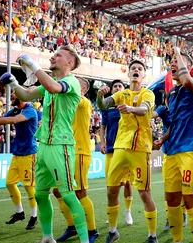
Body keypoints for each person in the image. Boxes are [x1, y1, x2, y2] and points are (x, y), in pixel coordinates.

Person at [0, 45, 89, 243]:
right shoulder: (51, 83)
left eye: (58, 55)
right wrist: (13, 83)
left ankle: (84, 239)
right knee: (40, 194)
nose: (53, 57)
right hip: (44, 146)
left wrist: (33, 65)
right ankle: (47, 236)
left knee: (68, 195)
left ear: (69, 62)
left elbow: (52, 87)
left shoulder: (71, 82)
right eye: (53, 54)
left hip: (61, 145)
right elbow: (25, 95)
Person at [97, 59, 158, 243]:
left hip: (140, 148)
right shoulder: (121, 93)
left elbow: (143, 109)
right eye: (133, 69)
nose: (136, 71)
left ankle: (152, 235)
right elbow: (103, 105)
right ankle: (113, 231)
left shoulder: (148, 94)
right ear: (128, 73)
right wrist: (100, 96)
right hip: (120, 147)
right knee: (111, 190)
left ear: (143, 74)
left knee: (144, 193)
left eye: (139, 69)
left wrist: (130, 108)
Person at [156, 47, 193, 243]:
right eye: (172, 63)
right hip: (172, 151)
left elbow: (187, 81)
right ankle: (177, 240)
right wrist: (163, 138)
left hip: (190, 149)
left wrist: (177, 50)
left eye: (178, 61)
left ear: (188, 67)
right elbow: (174, 123)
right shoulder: (172, 94)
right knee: (172, 201)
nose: (173, 64)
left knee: (190, 201)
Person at [0, 93, 39, 230]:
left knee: (28, 186)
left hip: (29, 153)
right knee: (9, 183)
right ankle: (19, 212)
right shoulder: (14, 110)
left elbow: (14, 120)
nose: (12, 97)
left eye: (14, 95)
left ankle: (34, 216)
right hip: (18, 153)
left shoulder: (30, 110)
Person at [53, 77, 99, 243]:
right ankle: (72, 226)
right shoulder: (64, 105)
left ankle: (92, 230)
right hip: (64, 151)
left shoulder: (84, 102)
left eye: (75, 84)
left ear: (84, 89)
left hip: (79, 152)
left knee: (79, 192)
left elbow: (66, 94)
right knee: (57, 191)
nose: (70, 85)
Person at [100, 79, 134, 227]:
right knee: (110, 185)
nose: (117, 88)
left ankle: (128, 211)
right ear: (112, 90)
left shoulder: (128, 105)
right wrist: (102, 142)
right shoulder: (107, 109)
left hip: (125, 148)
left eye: (120, 86)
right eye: (115, 86)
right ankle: (112, 212)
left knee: (127, 183)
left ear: (124, 89)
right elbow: (103, 126)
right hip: (110, 150)